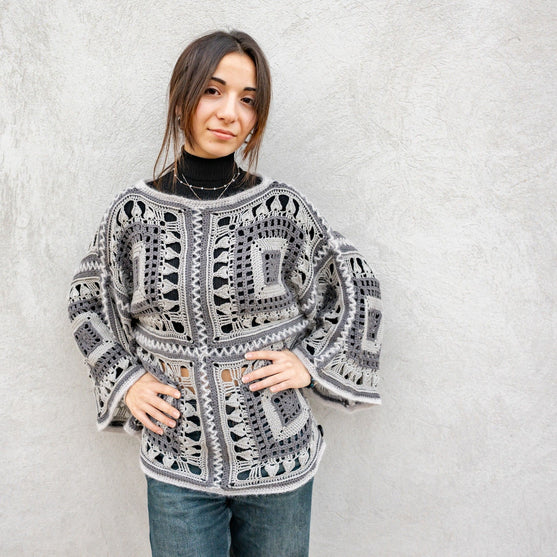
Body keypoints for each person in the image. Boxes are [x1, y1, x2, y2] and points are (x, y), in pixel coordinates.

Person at [68, 30, 383, 557]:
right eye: (213, 91)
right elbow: (88, 303)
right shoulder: (133, 214)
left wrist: (309, 362)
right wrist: (127, 381)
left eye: (248, 100)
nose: (229, 113)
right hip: (177, 461)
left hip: (278, 456)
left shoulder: (281, 209)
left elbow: (356, 285)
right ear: (182, 99)